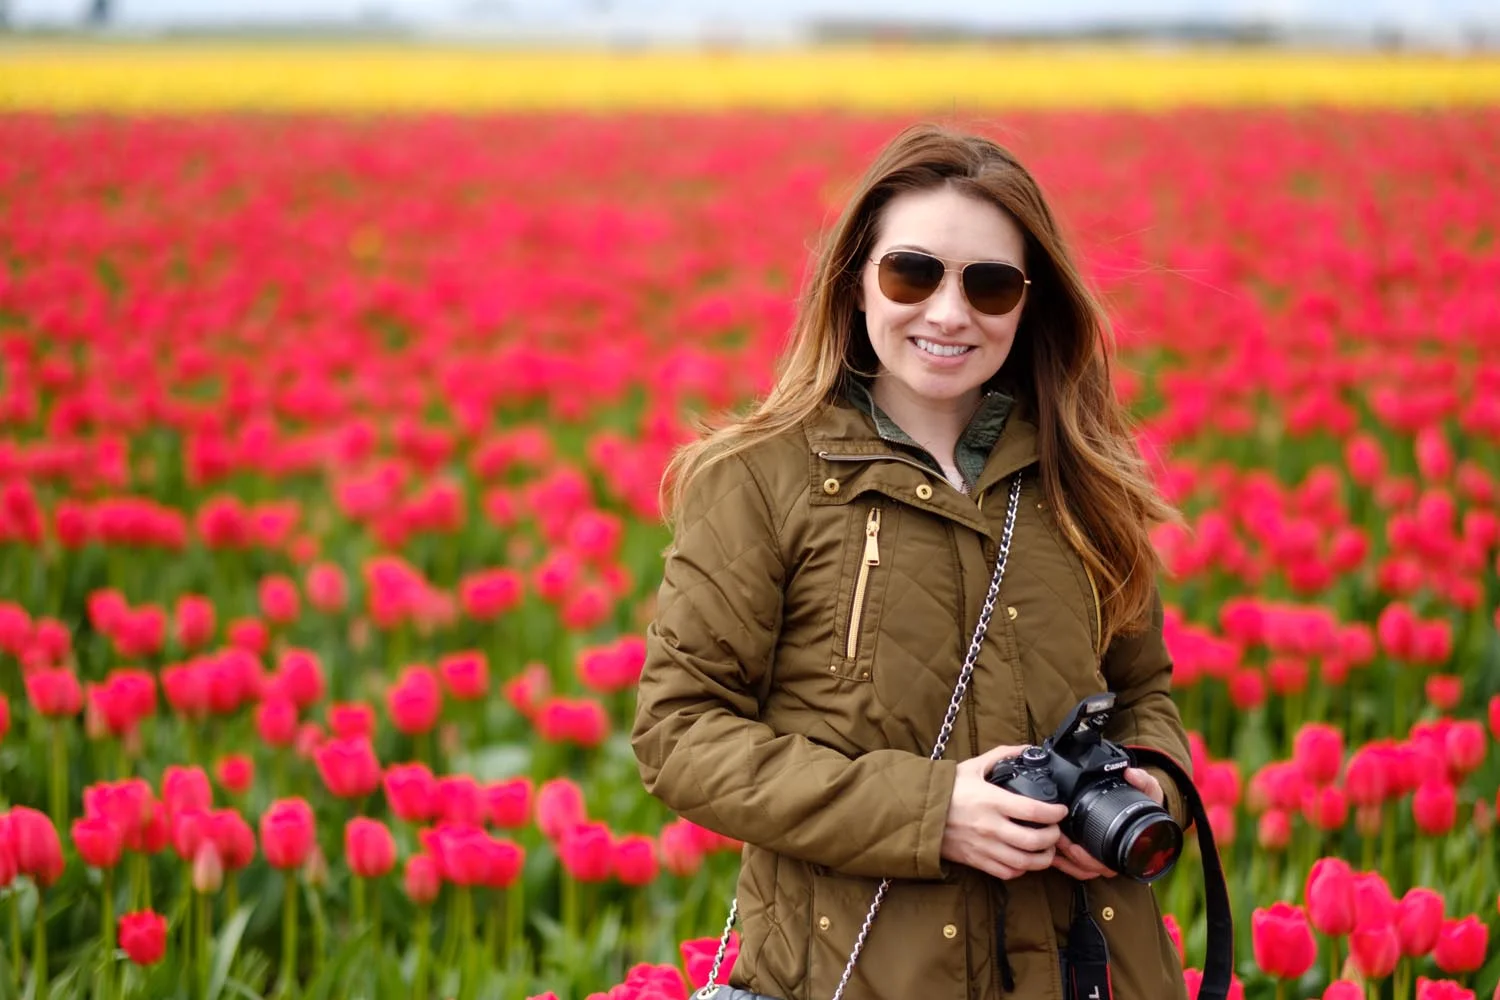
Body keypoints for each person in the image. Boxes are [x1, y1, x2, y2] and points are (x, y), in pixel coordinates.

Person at [631, 122, 1193, 1000]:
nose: (948, 311)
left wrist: (1149, 784)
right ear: (856, 281)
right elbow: (679, 732)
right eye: (913, 271)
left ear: (1029, 303)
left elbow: (1143, 694)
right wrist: (934, 814)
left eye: (991, 285)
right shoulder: (758, 479)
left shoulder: (1085, 482)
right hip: (863, 971)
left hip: (1091, 966)